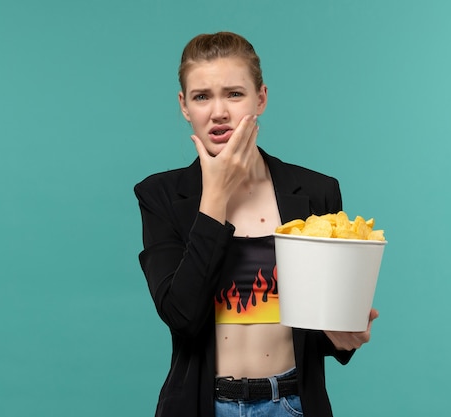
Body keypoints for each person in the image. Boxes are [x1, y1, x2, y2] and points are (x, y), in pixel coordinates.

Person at [134, 31, 379, 417]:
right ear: (184, 106)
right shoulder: (161, 197)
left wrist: (346, 336)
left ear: (261, 98)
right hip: (204, 405)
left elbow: (325, 330)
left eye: (234, 94)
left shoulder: (316, 192)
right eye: (202, 96)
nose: (218, 112)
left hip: (293, 404)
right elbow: (182, 317)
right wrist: (215, 198)